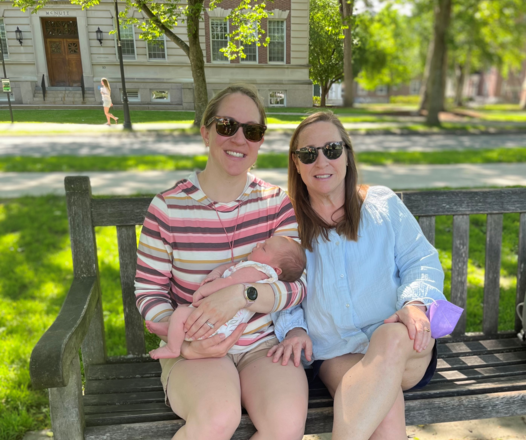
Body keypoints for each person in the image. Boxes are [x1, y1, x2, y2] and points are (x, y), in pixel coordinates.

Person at [134, 85, 311, 440]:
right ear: (205, 132)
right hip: (195, 352)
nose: (240, 138)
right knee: (218, 419)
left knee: (286, 425)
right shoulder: (168, 207)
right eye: (227, 125)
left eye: (253, 130)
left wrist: (243, 295)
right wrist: (185, 339)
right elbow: (149, 293)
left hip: (262, 346)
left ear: (261, 141)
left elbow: (296, 286)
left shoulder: (276, 203)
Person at [268, 111, 446, 440]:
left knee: (389, 336)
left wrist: (416, 303)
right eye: (309, 154)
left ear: (347, 156)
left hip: (406, 344)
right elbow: (277, 286)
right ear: (296, 164)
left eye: (332, 150)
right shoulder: (287, 225)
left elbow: (420, 259)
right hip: (336, 351)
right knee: (384, 410)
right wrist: (293, 328)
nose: (321, 161)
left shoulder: (383, 205)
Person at [146, 235, 306, 359]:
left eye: (263, 248)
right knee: (182, 312)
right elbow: (230, 268)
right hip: (217, 316)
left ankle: (173, 348)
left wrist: (204, 290)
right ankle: (169, 329)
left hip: (220, 322)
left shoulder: (259, 271)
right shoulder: (251, 267)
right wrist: (216, 273)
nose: (258, 245)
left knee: (181, 314)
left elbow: (230, 281)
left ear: (276, 270)